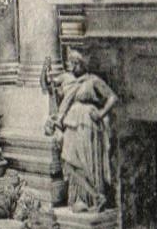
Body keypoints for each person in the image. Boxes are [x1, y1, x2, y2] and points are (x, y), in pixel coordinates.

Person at [45, 50, 119, 211]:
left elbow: (112, 97)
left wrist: (101, 114)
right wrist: (45, 71)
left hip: (87, 123)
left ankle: (94, 199)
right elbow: (49, 84)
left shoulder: (92, 81)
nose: (72, 67)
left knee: (86, 162)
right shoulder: (69, 81)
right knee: (69, 160)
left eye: (75, 64)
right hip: (71, 122)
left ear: (82, 64)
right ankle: (87, 197)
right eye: (71, 64)